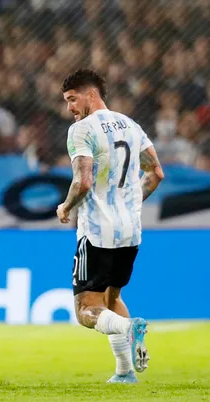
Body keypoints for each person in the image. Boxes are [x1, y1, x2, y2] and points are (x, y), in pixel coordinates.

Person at [57, 69, 165, 383]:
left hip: (96, 232)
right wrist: (131, 203)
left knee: (85, 309)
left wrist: (66, 207)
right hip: (130, 231)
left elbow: (84, 181)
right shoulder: (132, 126)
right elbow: (156, 172)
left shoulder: (82, 130)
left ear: (91, 94)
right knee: (111, 299)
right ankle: (125, 371)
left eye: (72, 99)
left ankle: (128, 329)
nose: (70, 108)